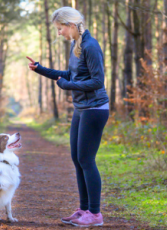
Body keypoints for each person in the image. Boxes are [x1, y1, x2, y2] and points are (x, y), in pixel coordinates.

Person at [26, 6, 109, 228]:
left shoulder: (91, 46)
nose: (59, 33)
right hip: (81, 108)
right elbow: (70, 75)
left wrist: (67, 85)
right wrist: (40, 69)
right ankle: (83, 210)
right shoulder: (77, 45)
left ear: (71, 25)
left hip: (95, 109)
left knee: (87, 160)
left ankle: (95, 214)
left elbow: (97, 81)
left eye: (60, 28)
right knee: (77, 159)